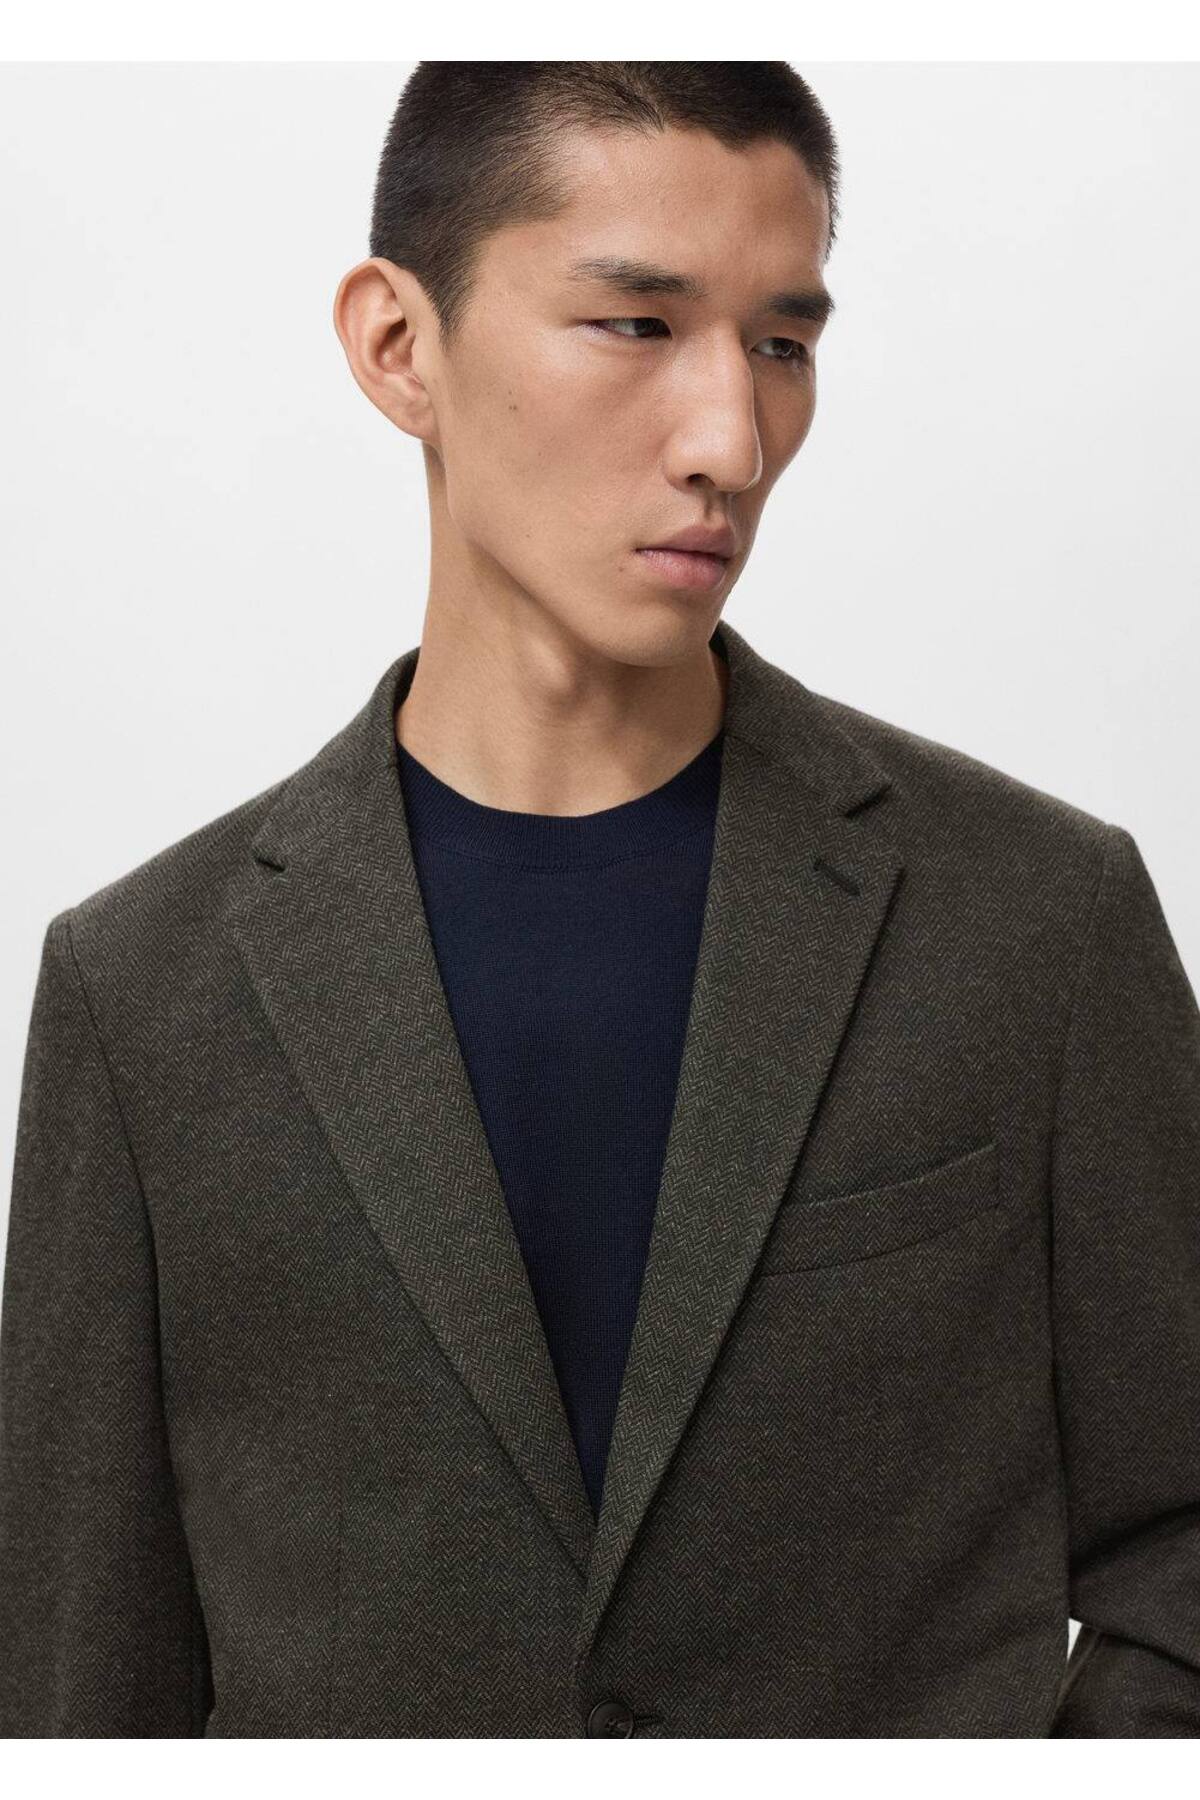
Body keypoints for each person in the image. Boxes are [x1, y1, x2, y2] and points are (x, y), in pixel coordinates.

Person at [2, 60, 1197, 1739]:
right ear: (398, 346)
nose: (732, 442)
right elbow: (74, 1694)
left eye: (781, 344)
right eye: (638, 325)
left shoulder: (1037, 919)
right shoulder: (141, 993)